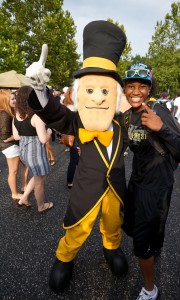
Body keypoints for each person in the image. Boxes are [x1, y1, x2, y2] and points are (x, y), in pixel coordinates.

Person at [26, 20, 128, 293]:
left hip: (115, 190)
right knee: (78, 227)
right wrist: (39, 90)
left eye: (104, 91)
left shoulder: (122, 125)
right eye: (91, 91)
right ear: (81, 93)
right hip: (87, 187)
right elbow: (57, 115)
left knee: (112, 222)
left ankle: (111, 248)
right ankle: (65, 257)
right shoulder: (79, 122)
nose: (97, 98)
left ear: (115, 95)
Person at [122, 62, 180, 300]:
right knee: (131, 227)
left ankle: (150, 290)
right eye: (131, 86)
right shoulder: (127, 116)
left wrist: (162, 129)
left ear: (149, 90)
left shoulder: (158, 111)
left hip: (158, 186)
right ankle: (153, 246)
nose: (136, 91)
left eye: (142, 86)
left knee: (141, 243)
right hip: (137, 183)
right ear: (125, 89)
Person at [12, 85, 54, 212]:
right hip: (36, 154)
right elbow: (43, 139)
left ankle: (23, 198)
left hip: (24, 152)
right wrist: (49, 132)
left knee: (37, 176)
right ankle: (41, 206)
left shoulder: (16, 115)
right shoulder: (36, 116)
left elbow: (16, 136)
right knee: (40, 182)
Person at [0, 90, 26, 200]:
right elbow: (5, 137)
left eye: (14, 97)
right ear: (5, 101)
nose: (15, 100)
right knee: (13, 171)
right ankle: (14, 193)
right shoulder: (4, 114)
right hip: (10, 146)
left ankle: (25, 186)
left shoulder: (7, 111)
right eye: (12, 98)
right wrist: (16, 136)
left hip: (13, 145)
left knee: (27, 165)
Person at [63, 87, 79, 188]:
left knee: (76, 159)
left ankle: (72, 179)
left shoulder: (66, 106)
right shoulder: (72, 108)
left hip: (71, 136)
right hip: (75, 136)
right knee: (75, 159)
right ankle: (70, 180)